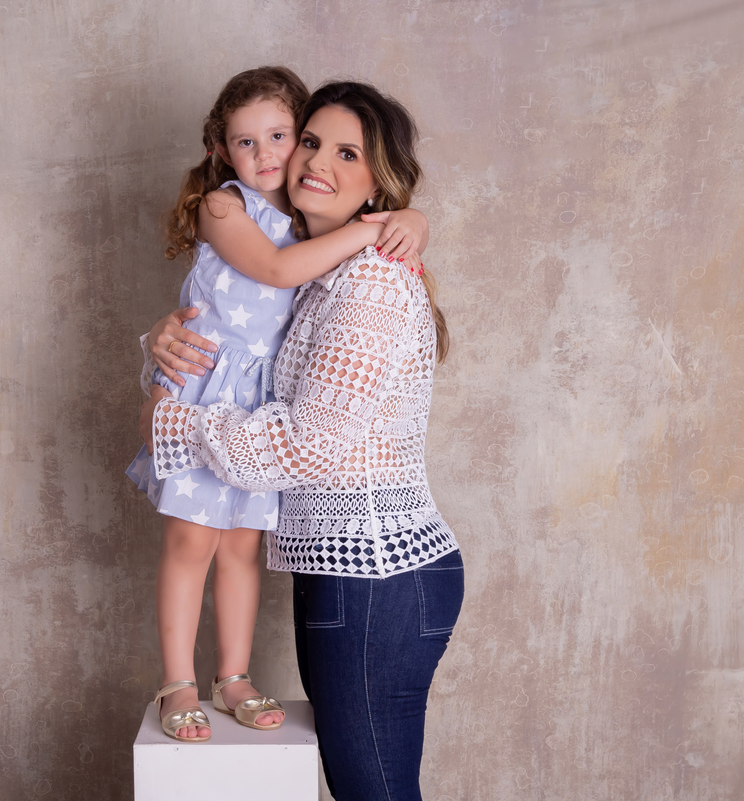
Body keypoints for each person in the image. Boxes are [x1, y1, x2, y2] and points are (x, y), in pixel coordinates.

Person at [141, 81, 462, 801]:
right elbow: (233, 330)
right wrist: (160, 343)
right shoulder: (317, 266)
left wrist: (175, 421)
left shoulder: (369, 280)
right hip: (351, 568)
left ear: (377, 182)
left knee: (371, 790)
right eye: (310, 141)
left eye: (347, 153)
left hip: (376, 576)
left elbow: (306, 444)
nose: (312, 160)